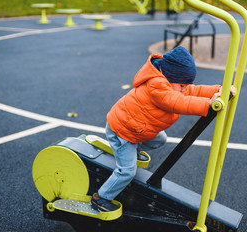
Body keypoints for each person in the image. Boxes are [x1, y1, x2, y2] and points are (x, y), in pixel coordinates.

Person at [91, 46, 235, 212]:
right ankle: (101, 198)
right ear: (170, 76)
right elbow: (177, 102)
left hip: (137, 128)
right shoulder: (157, 86)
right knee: (127, 172)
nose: (184, 89)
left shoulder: (173, 81)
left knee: (161, 139)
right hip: (122, 132)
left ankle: (134, 150)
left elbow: (193, 90)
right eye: (181, 86)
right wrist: (207, 104)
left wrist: (217, 90)